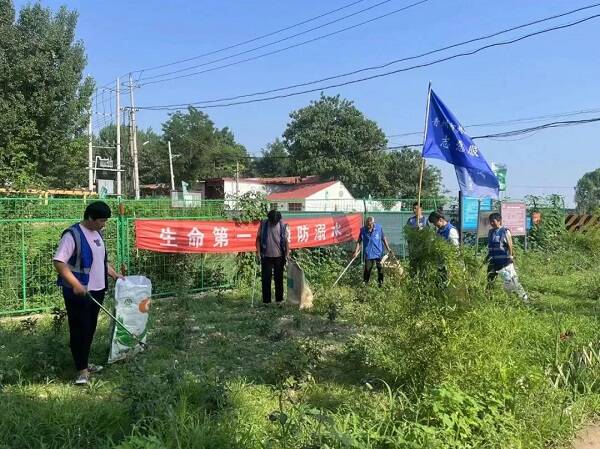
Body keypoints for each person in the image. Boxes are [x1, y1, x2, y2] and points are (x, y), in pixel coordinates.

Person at [53, 201, 123, 385]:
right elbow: (59, 262)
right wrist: (75, 284)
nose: (104, 224)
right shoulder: (72, 235)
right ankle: (81, 371)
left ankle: (84, 362)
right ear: (90, 218)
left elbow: (100, 260)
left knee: (90, 328)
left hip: (97, 290)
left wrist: (114, 274)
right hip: (80, 292)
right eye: (101, 221)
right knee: (79, 329)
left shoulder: (97, 233)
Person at [487, 213, 529, 302]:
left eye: (493, 221)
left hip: (504, 262)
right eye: (490, 221)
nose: (491, 223)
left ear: (499, 221)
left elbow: (510, 245)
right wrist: (486, 259)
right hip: (493, 262)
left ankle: (524, 299)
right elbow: (491, 247)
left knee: (512, 281)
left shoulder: (505, 231)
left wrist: (511, 257)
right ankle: (488, 300)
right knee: (490, 281)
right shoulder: (490, 232)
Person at [256, 209, 290, 305]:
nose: (274, 223)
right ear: (269, 219)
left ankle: (279, 300)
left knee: (279, 279)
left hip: (279, 256)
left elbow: (287, 241)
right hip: (266, 256)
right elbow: (258, 239)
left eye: (276, 222)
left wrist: (287, 254)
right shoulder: (263, 224)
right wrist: (258, 253)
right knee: (266, 279)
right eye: (272, 221)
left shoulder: (283, 226)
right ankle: (266, 302)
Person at [353, 216, 391, 286]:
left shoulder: (379, 228)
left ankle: (380, 284)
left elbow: (383, 238)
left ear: (373, 223)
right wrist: (355, 252)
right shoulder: (363, 230)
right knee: (367, 269)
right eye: (367, 224)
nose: (368, 226)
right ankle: (365, 284)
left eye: (370, 225)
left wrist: (388, 248)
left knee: (380, 269)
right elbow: (359, 241)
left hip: (378, 252)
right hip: (369, 253)